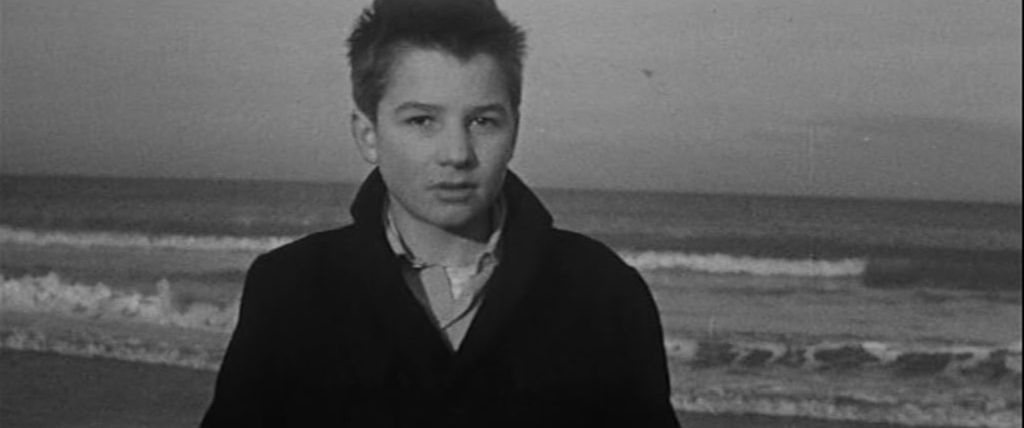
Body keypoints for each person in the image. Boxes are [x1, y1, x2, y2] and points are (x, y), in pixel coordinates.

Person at [201, 0, 678, 426]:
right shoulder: (291, 288)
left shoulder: (603, 291)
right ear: (368, 135)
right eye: (422, 120)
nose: (457, 153)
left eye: (483, 121)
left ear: (514, 129)